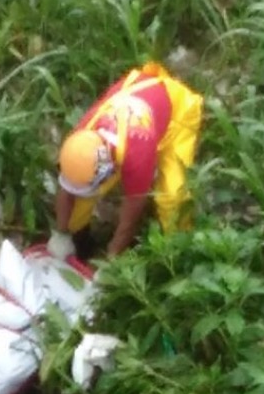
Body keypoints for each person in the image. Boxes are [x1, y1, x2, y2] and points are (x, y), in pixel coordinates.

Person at [47, 62, 204, 261]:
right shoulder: (81, 139)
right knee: (77, 208)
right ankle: (80, 244)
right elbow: (68, 186)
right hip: (141, 101)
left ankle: (180, 254)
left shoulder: (137, 153)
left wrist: (113, 256)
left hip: (176, 114)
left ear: (106, 169)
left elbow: (132, 210)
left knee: (173, 196)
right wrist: (61, 233)